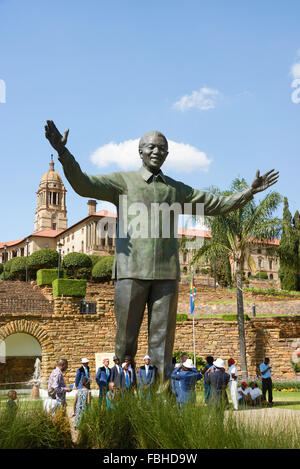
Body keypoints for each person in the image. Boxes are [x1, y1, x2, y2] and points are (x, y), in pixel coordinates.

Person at [45, 121, 279, 381]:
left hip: (166, 274)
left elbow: (217, 204)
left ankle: (159, 399)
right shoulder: (123, 182)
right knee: (125, 341)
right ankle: (123, 398)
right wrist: (64, 154)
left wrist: (248, 192)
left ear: (167, 154)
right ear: (140, 151)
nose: (157, 151)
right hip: (130, 271)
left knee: (162, 345)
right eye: (151, 147)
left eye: (162, 148)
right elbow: (84, 184)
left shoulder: (175, 189)